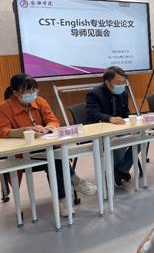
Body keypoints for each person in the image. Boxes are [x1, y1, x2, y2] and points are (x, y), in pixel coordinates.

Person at [0, 74, 96, 217]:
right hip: (23, 155)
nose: (32, 94)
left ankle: (63, 200)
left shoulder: (40, 101)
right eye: (27, 91)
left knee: (56, 157)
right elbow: (3, 131)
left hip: (47, 148)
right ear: (15, 93)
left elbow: (54, 121)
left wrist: (47, 128)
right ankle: (74, 181)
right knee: (57, 157)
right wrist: (24, 131)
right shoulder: (4, 108)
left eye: (33, 90)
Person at [85, 66, 135, 186]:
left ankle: (121, 170)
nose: (122, 85)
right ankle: (119, 170)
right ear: (107, 82)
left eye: (123, 82)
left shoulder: (123, 93)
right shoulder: (94, 94)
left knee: (142, 136)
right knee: (118, 140)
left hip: (119, 128)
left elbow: (125, 112)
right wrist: (109, 118)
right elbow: (93, 113)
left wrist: (133, 119)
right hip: (100, 131)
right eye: (118, 82)